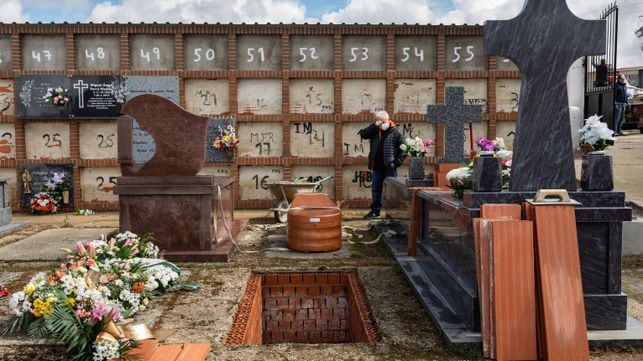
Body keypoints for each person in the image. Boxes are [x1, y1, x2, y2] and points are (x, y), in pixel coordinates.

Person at [358, 110, 405, 219]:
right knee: (376, 190)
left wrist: (397, 162)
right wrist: (374, 126)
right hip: (377, 167)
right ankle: (375, 212)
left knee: (393, 192)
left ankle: (393, 214)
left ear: (388, 120)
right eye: (379, 121)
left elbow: (404, 148)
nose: (382, 123)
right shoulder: (375, 130)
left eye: (383, 121)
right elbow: (364, 134)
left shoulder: (395, 132)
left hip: (390, 168)